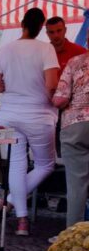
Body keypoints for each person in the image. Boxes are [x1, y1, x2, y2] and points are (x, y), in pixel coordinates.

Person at [0, 8, 60, 236]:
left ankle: (21, 220)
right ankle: (10, 202)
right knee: (45, 165)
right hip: (39, 114)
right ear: (42, 27)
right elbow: (51, 84)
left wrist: (10, 88)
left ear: (22, 24)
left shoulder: (6, 49)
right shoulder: (46, 48)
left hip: (9, 114)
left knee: (17, 164)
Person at [53, 52, 89, 228]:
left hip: (76, 126)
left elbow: (60, 99)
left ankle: (73, 239)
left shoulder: (75, 62)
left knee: (77, 185)